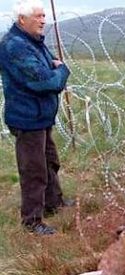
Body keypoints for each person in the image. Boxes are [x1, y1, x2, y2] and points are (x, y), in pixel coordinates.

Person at [0, 0, 72, 235]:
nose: (43, 20)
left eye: (44, 15)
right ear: (23, 19)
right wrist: (62, 71)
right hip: (27, 118)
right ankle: (32, 221)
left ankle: (54, 203)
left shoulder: (34, 42)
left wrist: (55, 69)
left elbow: (49, 68)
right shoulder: (16, 47)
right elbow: (45, 82)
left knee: (50, 161)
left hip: (40, 115)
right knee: (34, 170)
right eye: (38, 16)